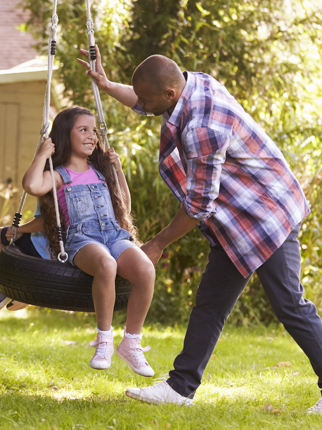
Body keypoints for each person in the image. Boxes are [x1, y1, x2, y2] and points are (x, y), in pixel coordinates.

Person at [78, 46, 322, 412]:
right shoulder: (193, 84)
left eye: (147, 99)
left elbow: (198, 205)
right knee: (210, 303)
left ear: (170, 95)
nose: (142, 105)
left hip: (267, 215)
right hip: (238, 219)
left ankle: (181, 385)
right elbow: (146, 98)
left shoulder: (203, 128)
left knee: (289, 304)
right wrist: (106, 83)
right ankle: (180, 388)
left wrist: (158, 244)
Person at [14, 105, 154, 376]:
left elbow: (122, 205)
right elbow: (31, 185)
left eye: (94, 131)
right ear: (67, 135)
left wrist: (118, 170)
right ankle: (104, 340)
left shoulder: (101, 171)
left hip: (113, 234)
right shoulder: (59, 175)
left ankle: (132, 343)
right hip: (81, 240)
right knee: (105, 264)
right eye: (83, 130)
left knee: (146, 268)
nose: (92, 135)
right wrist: (42, 155)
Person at [0, 216, 44, 316]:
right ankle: (3, 286)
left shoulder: (56, 200)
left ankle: (27, 290)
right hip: (37, 239)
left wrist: (20, 229)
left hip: (50, 248)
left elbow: (46, 219)